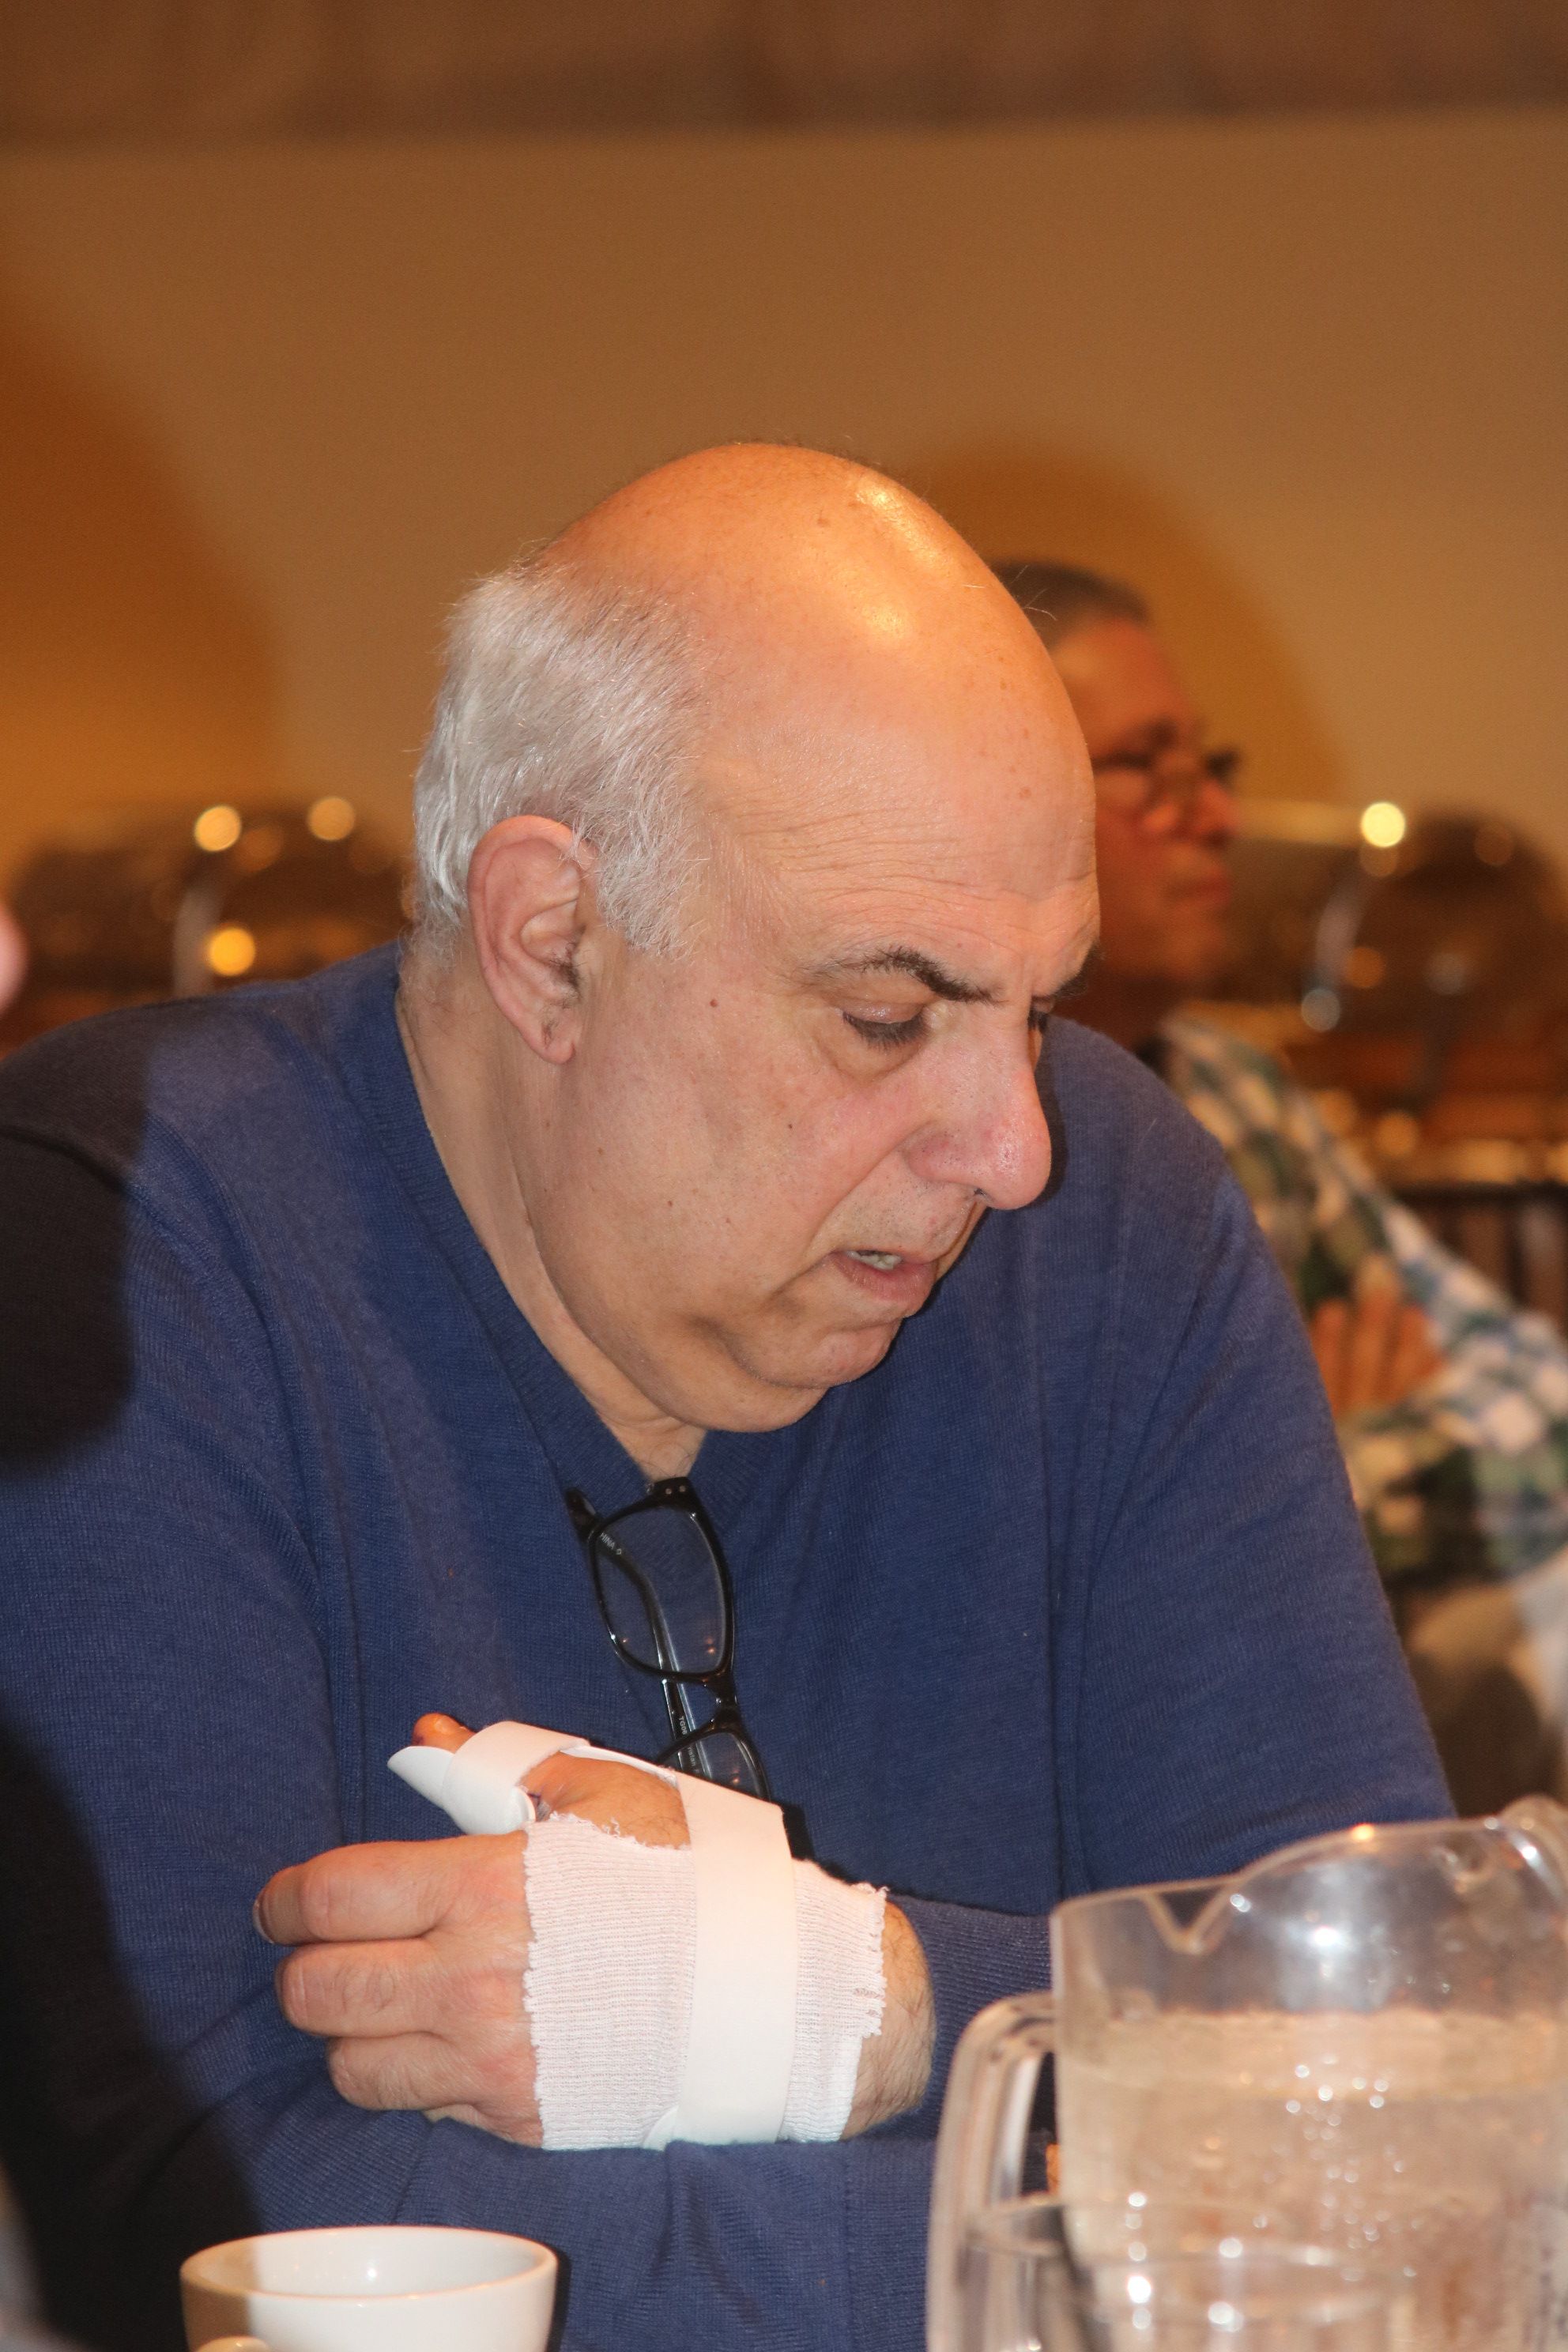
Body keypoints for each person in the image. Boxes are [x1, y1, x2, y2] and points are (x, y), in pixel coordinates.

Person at [0, 450, 1445, 2352]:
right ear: (548, 944)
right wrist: (1134, 2181)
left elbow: (1410, 2092)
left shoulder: (1110, 1223)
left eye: (1040, 1010)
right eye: (884, 1018)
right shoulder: (119, 1246)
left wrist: (858, 2006)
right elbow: (219, 2246)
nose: (1010, 1148)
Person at [995, 561, 1568, 1799]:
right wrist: (1308, 1446)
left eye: (1213, 767)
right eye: (1152, 770)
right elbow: (1067, 1585)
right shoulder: (959, 1141)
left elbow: (1545, 1409)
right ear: (1007, 794)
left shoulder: (1235, 1090)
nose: (1219, 818)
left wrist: (1326, 1467)